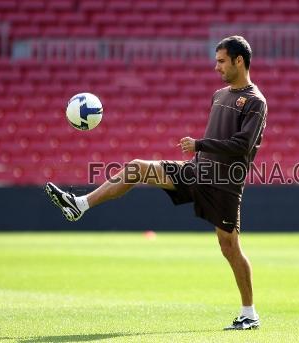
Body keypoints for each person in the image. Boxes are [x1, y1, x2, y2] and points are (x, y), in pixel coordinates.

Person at [45, 35, 267, 330]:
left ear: (239, 61)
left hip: (224, 184)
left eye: (221, 61)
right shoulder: (219, 95)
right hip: (195, 172)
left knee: (229, 248)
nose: (216, 67)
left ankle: (249, 314)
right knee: (137, 168)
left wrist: (200, 144)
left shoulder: (255, 102)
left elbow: (242, 145)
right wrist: (200, 153)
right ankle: (80, 204)